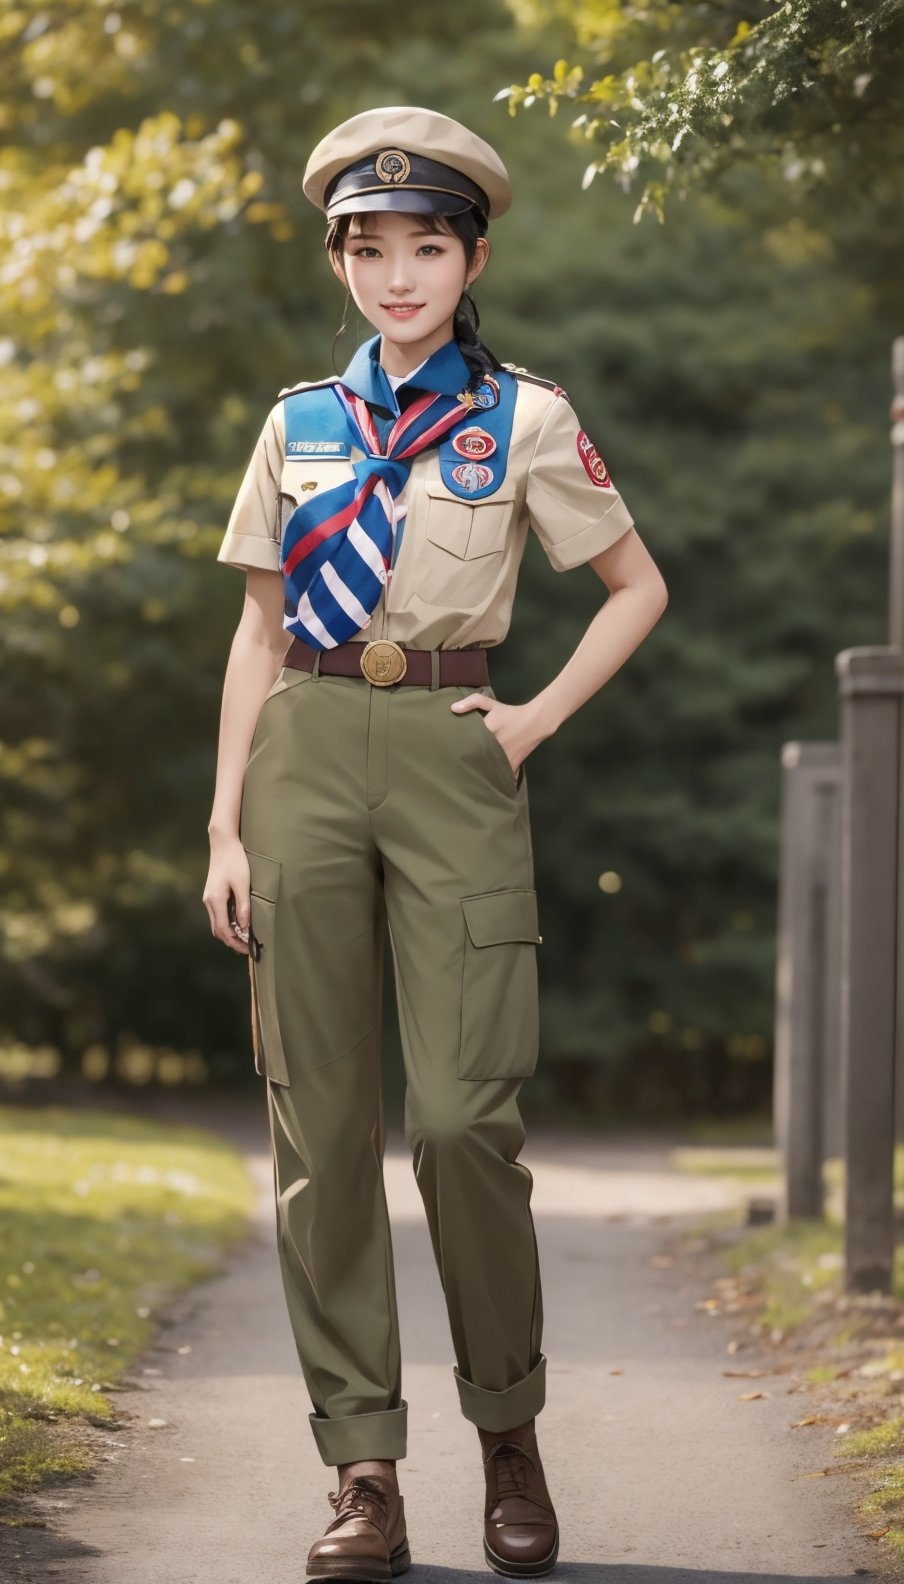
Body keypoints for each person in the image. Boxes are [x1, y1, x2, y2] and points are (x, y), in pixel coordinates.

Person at [204, 104, 669, 1581]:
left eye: (426, 247)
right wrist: (223, 823)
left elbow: (635, 586)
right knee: (319, 1126)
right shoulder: (299, 425)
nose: (398, 275)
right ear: (343, 263)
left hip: (460, 755)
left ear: (471, 258)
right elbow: (260, 626)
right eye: (370, 250)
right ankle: (363, 1471)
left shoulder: (520, 417)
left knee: (467, 1120)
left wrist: (530, 721)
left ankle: (510, 1433)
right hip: (305, 756)